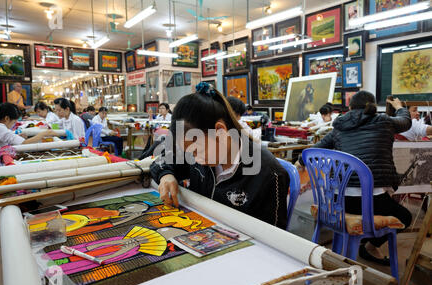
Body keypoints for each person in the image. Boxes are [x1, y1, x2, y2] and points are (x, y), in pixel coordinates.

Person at [150, 82, 291, 230]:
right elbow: (161, 161)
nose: (195, 159)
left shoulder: (269, 175)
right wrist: (166, 175)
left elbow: (273, 238)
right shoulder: (197, 155)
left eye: (197, 151)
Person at [297, 91, 412, 265]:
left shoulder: (339, 127)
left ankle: (363, 241)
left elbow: (310, 153)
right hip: (373, 202)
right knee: (405, 217)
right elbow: (406, 122)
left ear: (350, 108)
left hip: (337, 203)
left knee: (380, 201)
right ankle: (370, 247)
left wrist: (298, 162)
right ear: (373, 107)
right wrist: (400, 108)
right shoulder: (383, 121)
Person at [0, 103, 59, 167]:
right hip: (0, 167)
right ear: (7, 118)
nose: (13, 125)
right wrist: (44, 133)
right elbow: (25, 143)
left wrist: (18, 138)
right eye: (14, 122)